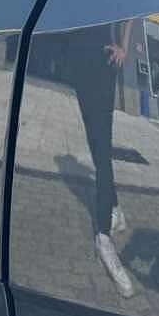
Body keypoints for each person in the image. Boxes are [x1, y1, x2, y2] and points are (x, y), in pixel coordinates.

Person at [67, 19, 136, 297]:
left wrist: (124, 48)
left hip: (103, 58)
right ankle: (116, 208)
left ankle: (104, 236)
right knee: (95, 143)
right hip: (78, 59)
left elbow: (131, 11)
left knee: (102, 145)